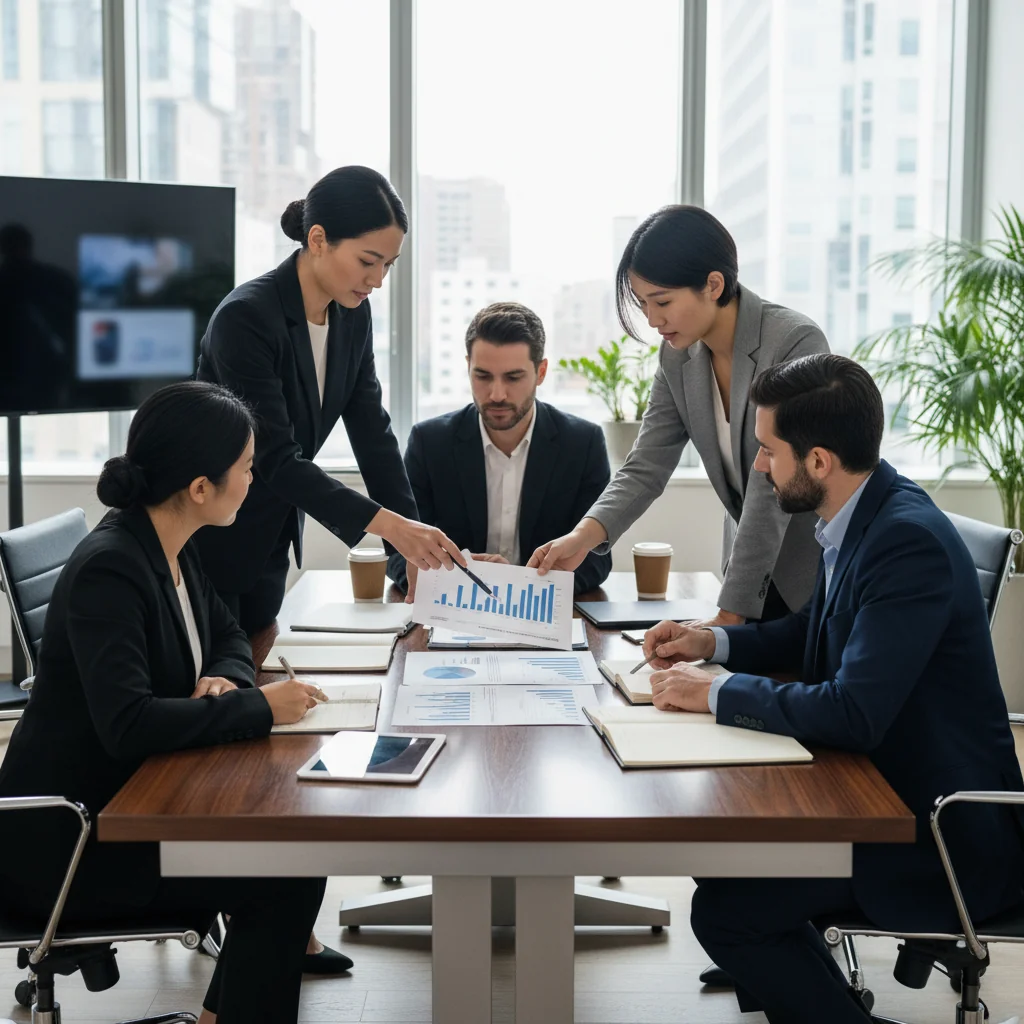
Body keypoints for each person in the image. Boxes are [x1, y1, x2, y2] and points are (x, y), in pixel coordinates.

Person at [640, 354, 1024, 1024]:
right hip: (878, 787)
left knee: (726, 912)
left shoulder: (905, 541)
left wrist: (715, 695)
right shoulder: (862, 515)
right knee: (721, 855)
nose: (760, 466)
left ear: (817, 461)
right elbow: (813, 632)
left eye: (768, 451)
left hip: (933, 830)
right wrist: (714, 643)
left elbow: (853, 711)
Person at [0, 381, 331, 1024]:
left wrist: (227, 680)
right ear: (201, 486)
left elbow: (230, 632)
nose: (253, 479)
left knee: (293, 861)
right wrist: (262, 709)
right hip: (72, 843)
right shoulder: (112, 568)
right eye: (246, 468)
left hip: (136, 799)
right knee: (288, 873)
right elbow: (128, 725)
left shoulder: (171, 545)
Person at [528, 205, 830, 627]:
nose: (652, 320)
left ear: (713, 284)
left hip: (811, 579)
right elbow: (646, 464)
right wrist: (583, 537)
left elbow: (770, 491)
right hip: (745, 577)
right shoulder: (678, 357)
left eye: (662, 301)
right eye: (643, 303)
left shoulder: (793, 342)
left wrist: (730, 615)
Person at [195, 165, 463, 635]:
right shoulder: (246, 319)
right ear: (317, 239)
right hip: (212, 538)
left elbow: (373, 433)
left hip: (269, 541)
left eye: (388, 265)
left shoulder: (352, 315)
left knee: (256, 663)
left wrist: (413, 548)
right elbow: (275, 457)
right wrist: (392, 528)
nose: (377, 279)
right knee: (220, 681)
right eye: (367, 261)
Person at [387, 301, 612, 600]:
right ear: (467, 366)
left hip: (540, 615)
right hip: (455, 614)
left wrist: (517, 584)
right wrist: (464, 576)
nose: (496, 394)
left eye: (513, 377)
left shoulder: (583, 443)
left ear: (541, 372)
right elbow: (398, 555)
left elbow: (597, 559)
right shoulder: (429, 443)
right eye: (482, 376)